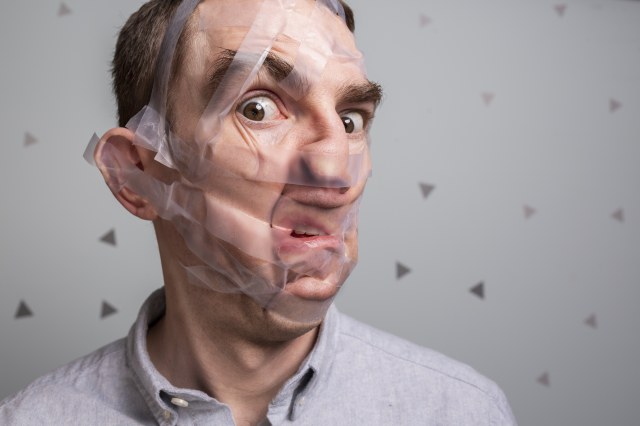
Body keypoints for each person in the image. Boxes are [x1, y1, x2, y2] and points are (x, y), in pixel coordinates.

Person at [0, 0, 516, 424]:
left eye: (350, 120)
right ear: (138, 174)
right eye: (258, 108)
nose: (336, 170)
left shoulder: (460, 412)